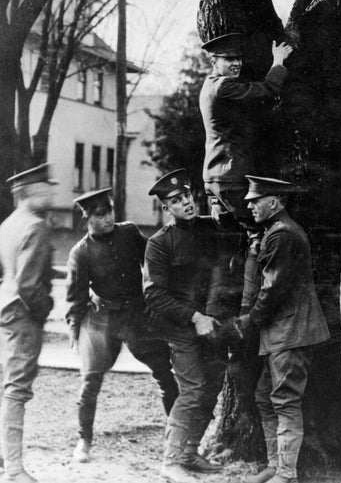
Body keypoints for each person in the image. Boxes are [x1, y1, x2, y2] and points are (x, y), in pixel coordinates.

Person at [65, 187, 178, 463]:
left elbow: (150, 263)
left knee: (164, 371)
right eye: (100, 215)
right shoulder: (81, 253)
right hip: (103, 320)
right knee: (90, 381)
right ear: (87, 218)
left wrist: (155, 301)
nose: (108, 219)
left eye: (110, 212)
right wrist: (74, 330)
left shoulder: (128, 233)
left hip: (139, 316)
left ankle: (178, 436)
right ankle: (84, 440)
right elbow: (75, 298)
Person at [234, 176, 330, 483]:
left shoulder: (281, 235)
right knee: (265, 396)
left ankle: (287, 475)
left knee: (285, 400)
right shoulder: (278, 232)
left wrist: (249, 321)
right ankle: (276, 466)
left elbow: (273, 288)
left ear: (273, 202)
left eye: (255, 200)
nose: (250, 205)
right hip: (283, 331)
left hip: (291, 331)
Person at [144, 169, 227, 483]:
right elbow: (154, 294)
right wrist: (195, 317)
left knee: (212, 388)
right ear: (167, 208)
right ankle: (171, 460)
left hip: (213, 323)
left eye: (188, 196)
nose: (187, 203)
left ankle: (191, 450)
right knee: (191, 390)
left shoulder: (210, 229)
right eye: (177, 201)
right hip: (182, 327)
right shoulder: (159, 243)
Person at [0, 163, 58, 483]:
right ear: (26, 193)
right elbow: (29, 286)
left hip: (3, 312)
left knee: (8, 387)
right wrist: (46, 309)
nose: (50, 192)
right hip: (22, 315)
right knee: (16, 390)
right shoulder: (36, 226)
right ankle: (14, 469)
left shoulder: (7, 225)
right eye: (44, 188)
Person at [199, 32, 292, 229]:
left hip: (217, 175)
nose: (237, 63)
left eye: (238, 58)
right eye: (229, 59)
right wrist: (278, 61)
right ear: (214, 61)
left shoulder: (209, 85)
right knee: (257, 232)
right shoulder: (224, 87)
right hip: (231, 175)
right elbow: (267, 89)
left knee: (236, 238)